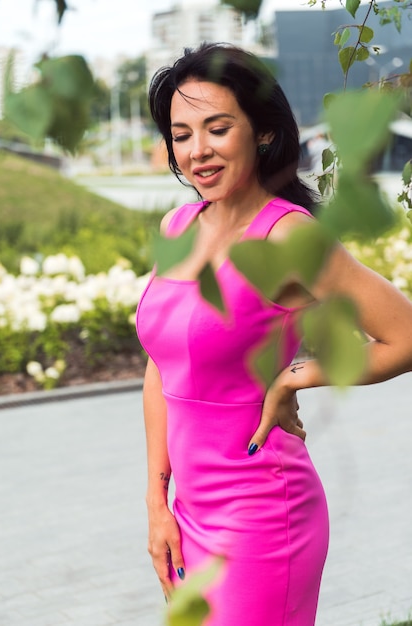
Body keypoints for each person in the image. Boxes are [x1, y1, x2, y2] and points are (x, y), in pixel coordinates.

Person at [135, 43, 412, 626]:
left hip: (261, 514)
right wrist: (157, 502)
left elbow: (404, 334)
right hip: (188, 511)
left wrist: (298, 375)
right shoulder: (178, 225)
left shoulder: (287, 238)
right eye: (181, 135)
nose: (198, 151)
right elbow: (162, 367)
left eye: (217, 128)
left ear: (262, 132)